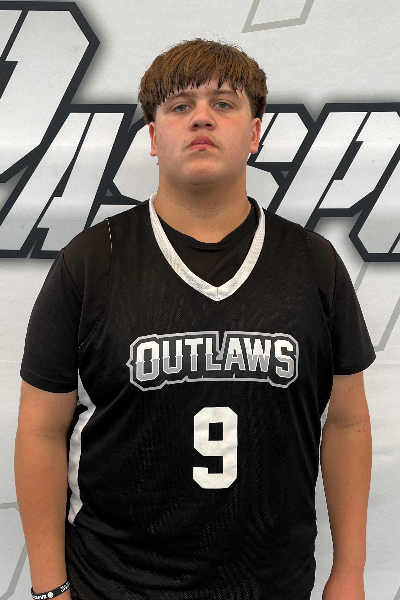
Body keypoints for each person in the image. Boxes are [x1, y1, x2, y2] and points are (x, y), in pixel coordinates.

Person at [15, 39, 375, 600]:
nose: (201, 117)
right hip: (114, 585)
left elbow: (347, 421)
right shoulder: (89, 262)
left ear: (254, 133)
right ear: (153, 137)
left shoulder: (314, 262)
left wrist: (349, 572)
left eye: (223, 103)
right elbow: (41, 430)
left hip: (271, 585)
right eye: (179, 105)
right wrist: (48, 588)